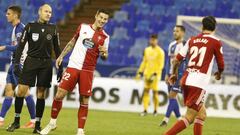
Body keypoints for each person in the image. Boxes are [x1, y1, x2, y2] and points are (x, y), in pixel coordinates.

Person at [40, 9, 110, 135]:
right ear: (96, 16)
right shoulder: (83, 27)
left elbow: (104, 56)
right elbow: (72, 42)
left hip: (88, 70)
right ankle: (52, 123)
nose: (102, 21)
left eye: (105, 19)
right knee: (59, 94)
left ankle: (80, 130)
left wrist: (104, 53)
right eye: (101, 17)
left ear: (107, 21)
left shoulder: (105, 37)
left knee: (84, 100)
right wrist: (61, 56)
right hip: (73, 66)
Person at [6, 4, 62, 134]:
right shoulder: (30, 26)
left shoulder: (53, 28)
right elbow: (20, 46)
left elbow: (57, 49)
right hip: (30, 61)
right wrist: (15, 63)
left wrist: (60, 66)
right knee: (21, 91)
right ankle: (16, 121)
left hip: (46, 64)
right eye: (46, 11)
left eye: (50, 12)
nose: (48, 14)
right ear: (39, 11)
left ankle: (37, 124)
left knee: (41, 94)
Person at [164, 16, 224, 135]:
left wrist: (174, 74)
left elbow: (176, 60)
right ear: (214, 28)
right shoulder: (216, 42)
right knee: (189, 117)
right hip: (198, 83)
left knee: (201, 115)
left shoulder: (192, 40)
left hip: (186, 80)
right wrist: (219, 73)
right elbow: (221, 63)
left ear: (202, 26)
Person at [0, 5, 36, 128]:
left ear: (15, 15)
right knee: (9, 91)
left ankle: (33, 120)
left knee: (25, 93)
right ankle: (1, 119)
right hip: (13, 64)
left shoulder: (21, 29)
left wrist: (4, 47)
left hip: (20, 65)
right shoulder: (16, 28)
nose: (6, 15)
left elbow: (19, 47)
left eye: (9, 13)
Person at [159, 25, 186, 127]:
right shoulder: (172, 45)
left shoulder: (185, 45)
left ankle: (165, 120)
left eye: (177, 31)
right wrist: (166, 74)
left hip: (179, 74)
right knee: (172, 98)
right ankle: (179, 119)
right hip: (171, 74)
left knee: (172, 96)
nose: (175, 33)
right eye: (174, 31)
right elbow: (168, 61)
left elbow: (185, 62)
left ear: (182, 33)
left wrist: (181, 75)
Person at [135, 34, 165, 116]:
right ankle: (145, 110)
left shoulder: (160, 51)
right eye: (151, 40)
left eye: (154, 40)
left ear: (157, 41)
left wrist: (155, 74)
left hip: (155, 75)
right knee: (146, 91)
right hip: (147, 74)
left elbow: (161, 65)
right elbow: (144, 62)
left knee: (155, 92)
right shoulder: (147, 50)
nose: (152, 41)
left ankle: (155, 110)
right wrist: (140, 72)